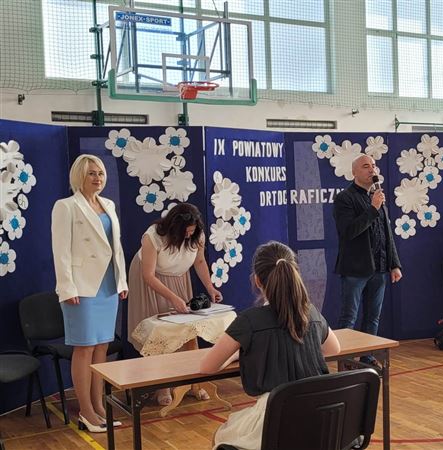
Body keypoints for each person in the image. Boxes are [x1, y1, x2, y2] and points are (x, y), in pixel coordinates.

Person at [200, 241, 341, 450]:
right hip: (318, 419)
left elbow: (207, 367)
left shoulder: (249, 321)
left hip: (275, 420)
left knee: (221, 435)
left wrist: (236, 355)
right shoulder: (310, 312)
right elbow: (333, 348)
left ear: (257, 280)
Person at [51, 154, 128, 433]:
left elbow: (116, 246)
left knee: (102, 347)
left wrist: (122, 281)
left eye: (100, 173)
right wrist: (67, 287)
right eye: (91, 173)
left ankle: (98, 407)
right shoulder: (66, 206)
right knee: (84, 348)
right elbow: (60, 251)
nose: (97, 178)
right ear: (79, 176)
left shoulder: (108, 204)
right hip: (81, 287)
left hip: (108, 285)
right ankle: (85, 412)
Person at [127, 202, 223, 406]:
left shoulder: (197, 235)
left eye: (192, 231)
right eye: (185, 232)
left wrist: (210, 288)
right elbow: (148, 275)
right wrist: (172, 297)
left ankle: (193, 384)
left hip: (179, 277)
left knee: (187, 330)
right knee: (161, 333)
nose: (189, 235)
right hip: (151, 281)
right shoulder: (153, 236)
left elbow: (199, 262)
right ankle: (163, 387)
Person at [333, 154, 401, 365]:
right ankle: (346, 361)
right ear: (354, 172)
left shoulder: (377, 197)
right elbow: (348, 232)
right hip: (355, 268)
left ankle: (367, 357)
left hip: (379, 267)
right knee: (349, 317)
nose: (372, 169)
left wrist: (394, 264)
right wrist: (372, 209)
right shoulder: (345, 198)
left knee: (373, 317)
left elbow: (386, 233)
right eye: (365, 166)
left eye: (373, 165)